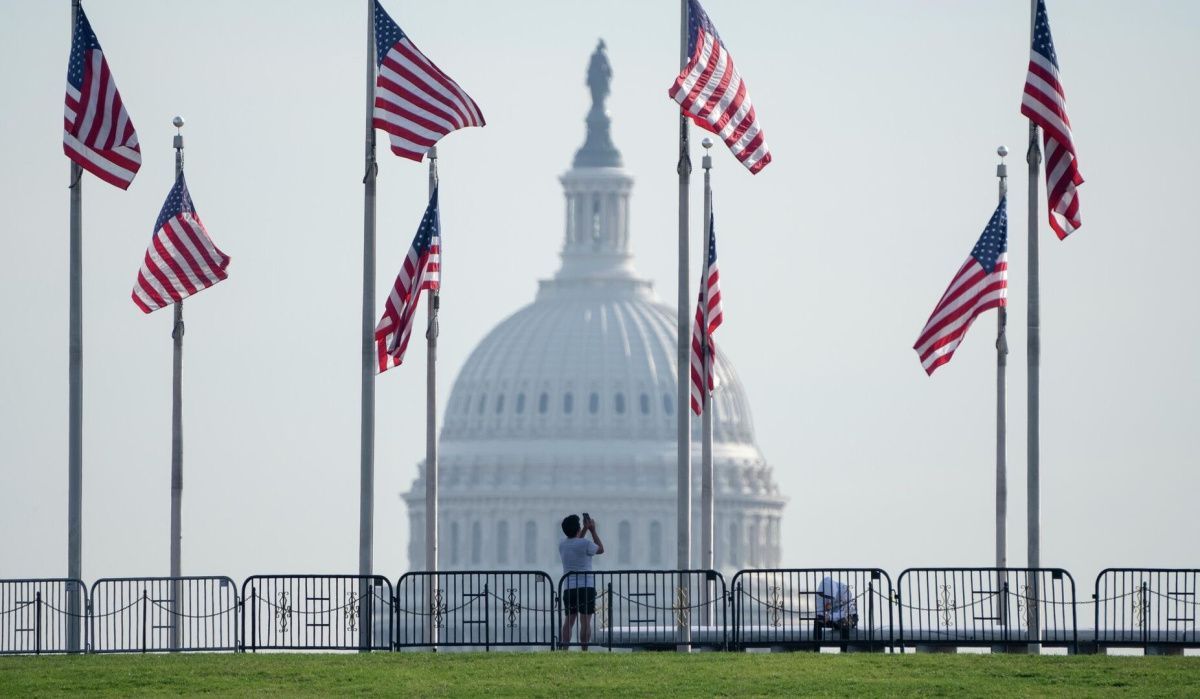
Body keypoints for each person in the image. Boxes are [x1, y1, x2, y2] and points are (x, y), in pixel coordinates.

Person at [558, 514, 604, 650]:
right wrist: (592, 530)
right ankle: (584, 651)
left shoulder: (562, 544)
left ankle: (564, 650)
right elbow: (600, 549)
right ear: (578, 529)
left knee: (569, 621)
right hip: (586, 587)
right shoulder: (585, 544)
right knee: (585, 622)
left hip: (569, 587)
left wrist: (584, 529)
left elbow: (576, 541)